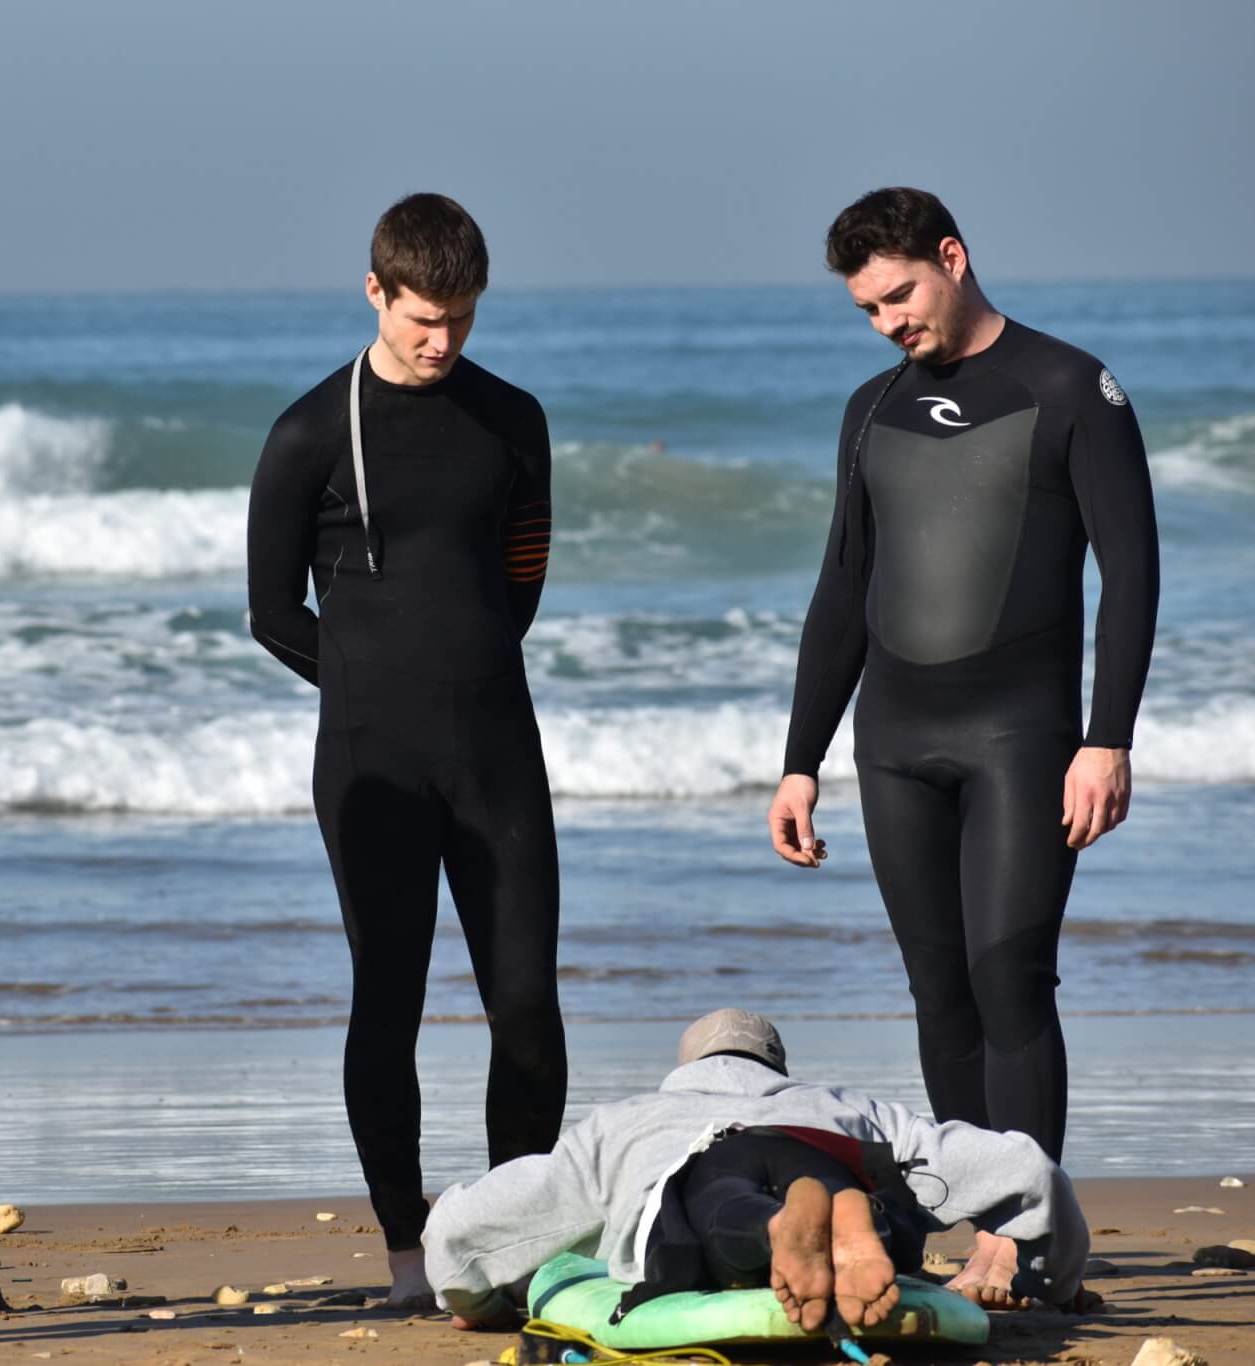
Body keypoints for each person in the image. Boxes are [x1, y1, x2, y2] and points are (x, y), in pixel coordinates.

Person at [767, 188, 1160, 1166]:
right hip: (892, 743)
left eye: (898, 295)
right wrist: (797, 761)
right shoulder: (871, 409)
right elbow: (840, 589)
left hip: (1019, 737)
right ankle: (981, 1206)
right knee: (937, 989)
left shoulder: (1068, 386)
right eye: (866, 309)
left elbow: (1133, 571)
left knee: (1008, 976)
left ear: (951, 256)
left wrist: (1104, 739)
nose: (887, 322)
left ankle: (1024, 1230)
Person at [246, 192, 564, 1304]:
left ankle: (513, 1237)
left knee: (523, 1002)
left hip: (495, 749)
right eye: (422, 319)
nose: (440, 342)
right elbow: (270, 611)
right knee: (387, 997)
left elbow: (522, 567)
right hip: (372, 765)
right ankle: (402, 1243)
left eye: (461, 321)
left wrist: (461, 673)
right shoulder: (307, 432)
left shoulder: (511, 419)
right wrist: (374, 690)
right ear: (374, 291)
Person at [424, 1010, 1092, 1333]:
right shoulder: (854, 1108)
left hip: (702, 1163)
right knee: (864, 1203)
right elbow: (1028, 1166)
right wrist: (1044, 1277)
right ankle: (849, 1214)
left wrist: (476, 1304)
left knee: (710, 1209)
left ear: (678, 1073)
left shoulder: (621, 1125)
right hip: (819, 1144)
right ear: (778, 1068)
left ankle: (780, 1224)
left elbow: (457, 1232)